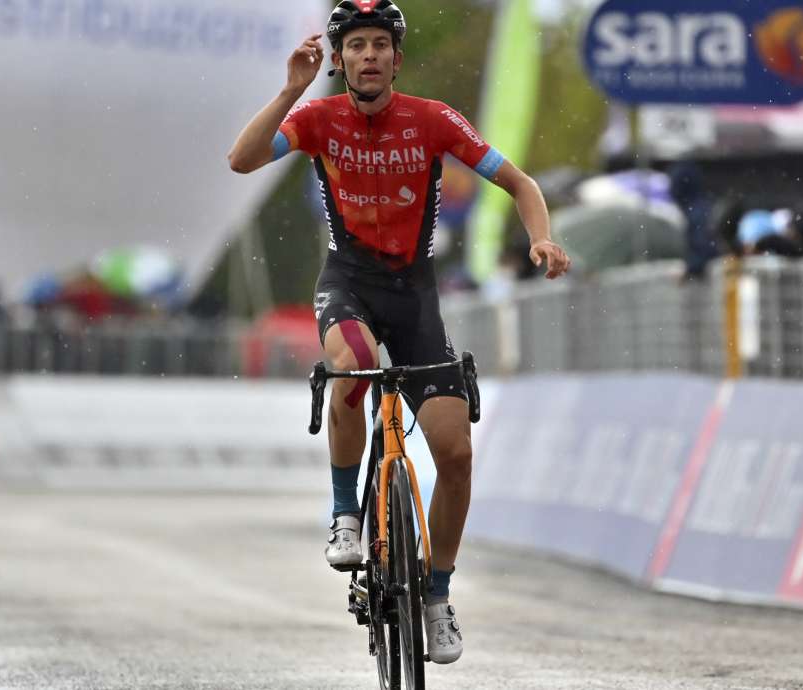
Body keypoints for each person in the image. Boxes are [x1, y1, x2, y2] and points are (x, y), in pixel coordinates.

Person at [226, 0, 570, 665]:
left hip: (415, 299)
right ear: (342, 58)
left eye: (380, 43)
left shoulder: (433, 120)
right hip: (348, 284)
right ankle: (345, 515)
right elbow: (241, 161)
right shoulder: (317, 118)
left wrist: (543, 240)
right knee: (351, 370)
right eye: (356, 45)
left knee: (458, 456)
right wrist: (292, 90)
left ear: (396, 58)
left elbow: (521, 182)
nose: (369, 55)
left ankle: (437, 595)